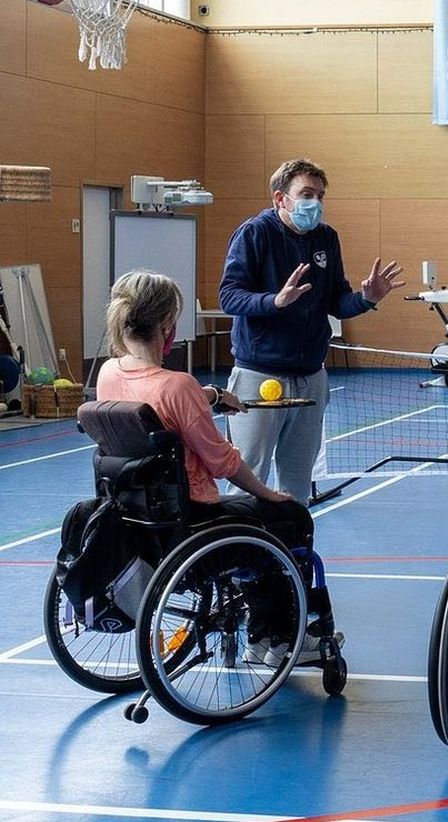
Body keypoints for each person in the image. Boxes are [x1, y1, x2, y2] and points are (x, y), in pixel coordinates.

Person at [97, 270, 340, 665]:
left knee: (264, 517)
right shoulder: (176, 386)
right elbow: (222, 462)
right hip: (192, 522)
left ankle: (264, 628)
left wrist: (208, 395)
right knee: (290, 517)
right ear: (166, 327)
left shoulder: (109, 373)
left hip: (135, 518)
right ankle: (276, 640)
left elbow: (159, 412)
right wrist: (268, 493)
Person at [218, 158, 404, 503]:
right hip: (259, 376)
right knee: (247, 477)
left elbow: (336, 300)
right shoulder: (254, 233)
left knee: (298, 482)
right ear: (280, 198)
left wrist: (366, 298)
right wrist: (274, 301)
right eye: (306, 194)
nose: (315, 203)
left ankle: (295, 554)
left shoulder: (326, 237)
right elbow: (229, 296)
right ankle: (243, 553)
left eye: (320, 195)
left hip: (310, 378)